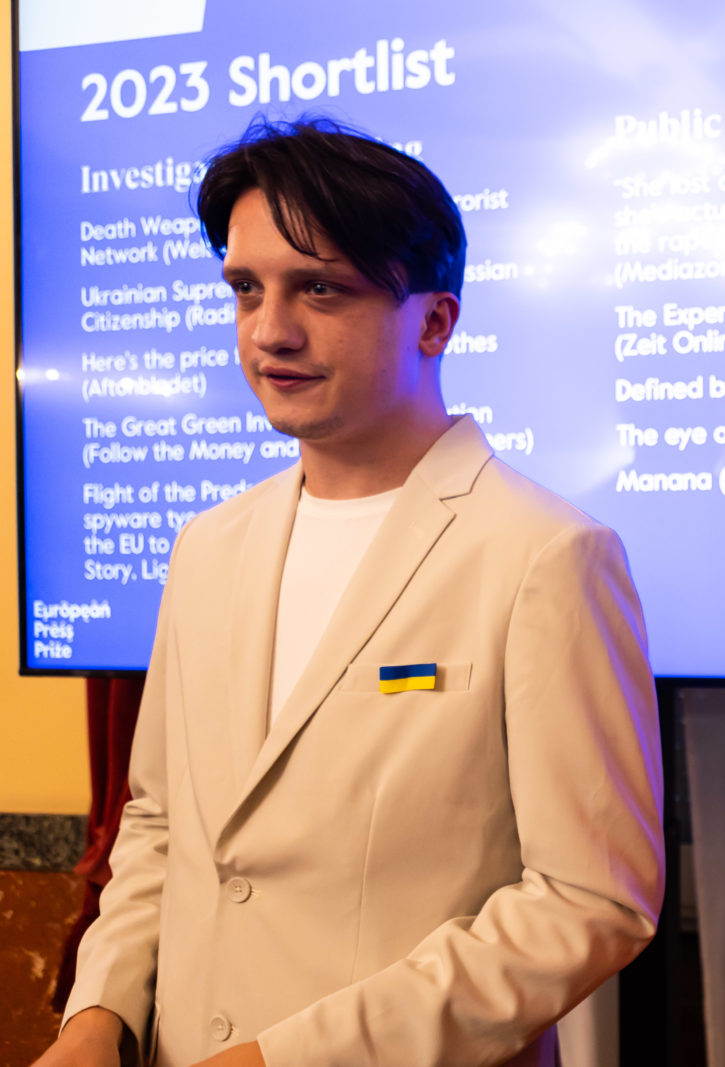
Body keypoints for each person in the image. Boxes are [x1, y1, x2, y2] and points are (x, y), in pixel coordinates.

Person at [36, 120, 664, 1067]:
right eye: (246, 289)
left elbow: (589, 901)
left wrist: (288, 1055)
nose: (270, 330)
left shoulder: (546, 553)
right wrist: (100, 1013)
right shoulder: (207, 546)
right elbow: (161, 826)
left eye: (320, 288)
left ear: (435, 321)